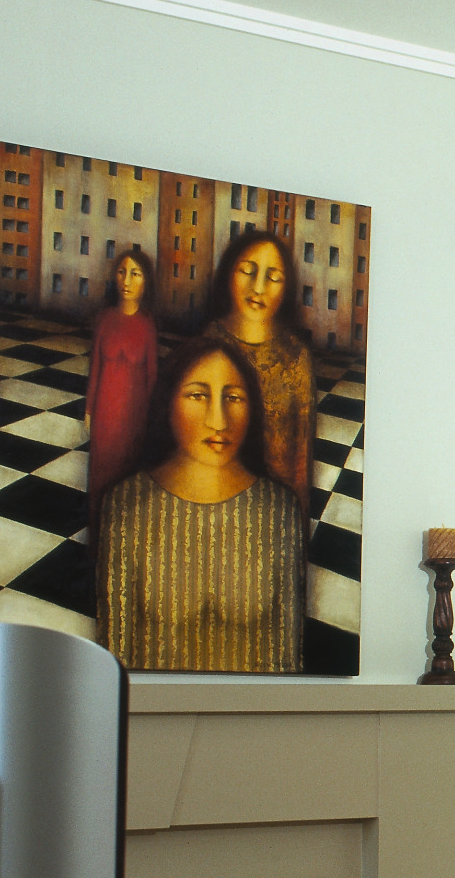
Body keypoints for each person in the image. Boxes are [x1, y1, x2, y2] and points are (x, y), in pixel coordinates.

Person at [97, 337, 304, 673]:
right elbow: (114, 659)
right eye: (198, 395)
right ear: (168, 402)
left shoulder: (279, 509)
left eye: (233, 398)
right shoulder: (127, 505)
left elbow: (287, 657)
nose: (219, 421)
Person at [204, 229, 315, 508]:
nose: (258, 288)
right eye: (247, 271)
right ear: (229, 271)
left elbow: (300, 456)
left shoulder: (295, 357)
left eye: (273, 277)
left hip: (273, 506)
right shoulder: (207, 345)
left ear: (285, 286)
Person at [84, 249, 160, 531]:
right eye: (122, 272)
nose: (126, 281)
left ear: (146, 282)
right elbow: (95, 369)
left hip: (133, 419)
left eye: (135, 274)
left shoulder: (147, 326)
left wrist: (152, 422)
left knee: (127, 482)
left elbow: (152, 378)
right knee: (100, 480)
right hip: (105, 415)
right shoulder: (104, 319)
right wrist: (89, 410)